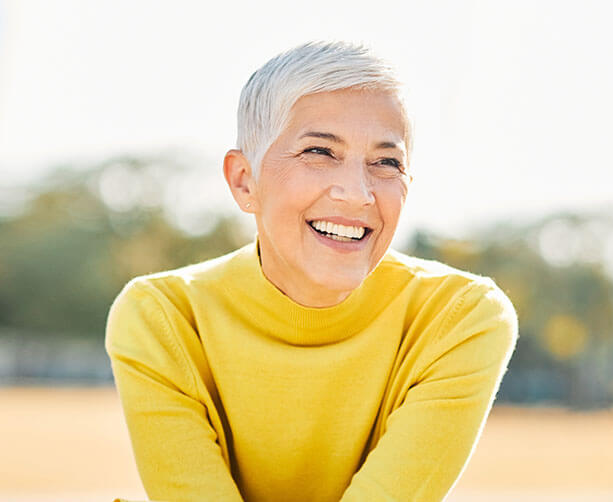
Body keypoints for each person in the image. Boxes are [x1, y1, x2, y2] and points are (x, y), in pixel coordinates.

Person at [105, 41, 518, 502]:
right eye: (319, 152)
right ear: (244, 181)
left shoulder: (459, 317)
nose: (358, 193)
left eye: (386, 162)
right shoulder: (164, 317)